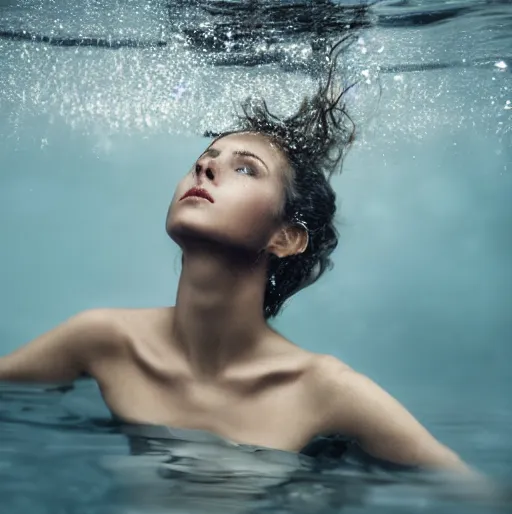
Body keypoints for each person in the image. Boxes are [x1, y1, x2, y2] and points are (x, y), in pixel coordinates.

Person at [0, 38, 473, 475]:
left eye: (245, 168)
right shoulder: (102, 340)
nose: (205, 166)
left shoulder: (326, 389)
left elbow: (475, 499)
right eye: (205, 157)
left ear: (286, 237)